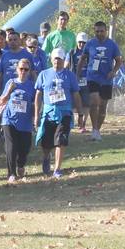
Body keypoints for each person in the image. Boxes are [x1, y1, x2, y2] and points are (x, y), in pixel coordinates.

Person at [35, 48, 84, 179]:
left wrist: (80, 114)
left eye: (60, 59)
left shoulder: (70, 76)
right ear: (51, 59)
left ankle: (57, 169)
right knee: (46, 143)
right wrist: (36, 115)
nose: (57, 61)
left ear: (64, 60)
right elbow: (38, 94)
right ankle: (46, 157)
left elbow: (76, 94)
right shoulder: (44, 74)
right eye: (55, 58)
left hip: (65, 112)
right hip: (48, 112)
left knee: (60, 140)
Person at [0, 59, 38, 183]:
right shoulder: (11, 82)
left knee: (24, 148)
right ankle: (11, 173)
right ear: (17, 70)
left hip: (25, 122)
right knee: (11, 146)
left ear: (29, 71)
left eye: (26, 69)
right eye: (21, 69)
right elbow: (2, 101)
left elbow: (35, 102)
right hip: (9, 119)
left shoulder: (32, 85)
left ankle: (21, 164)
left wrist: (35, 117)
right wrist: (9, 91)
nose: (23, 72)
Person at [80, 21, 122, 141]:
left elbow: (119, 61)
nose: (99, 33)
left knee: (103, 107)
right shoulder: (90, 44)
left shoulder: (112, 44)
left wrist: (113, 71)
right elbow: (82, 59)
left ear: (106, 31)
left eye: (101, 31)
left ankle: (97, 130)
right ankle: (94, 129)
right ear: (94, 31)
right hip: (92, 77)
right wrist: (77, 75)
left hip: (106, 80)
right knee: (94, 103)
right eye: (97, 31)